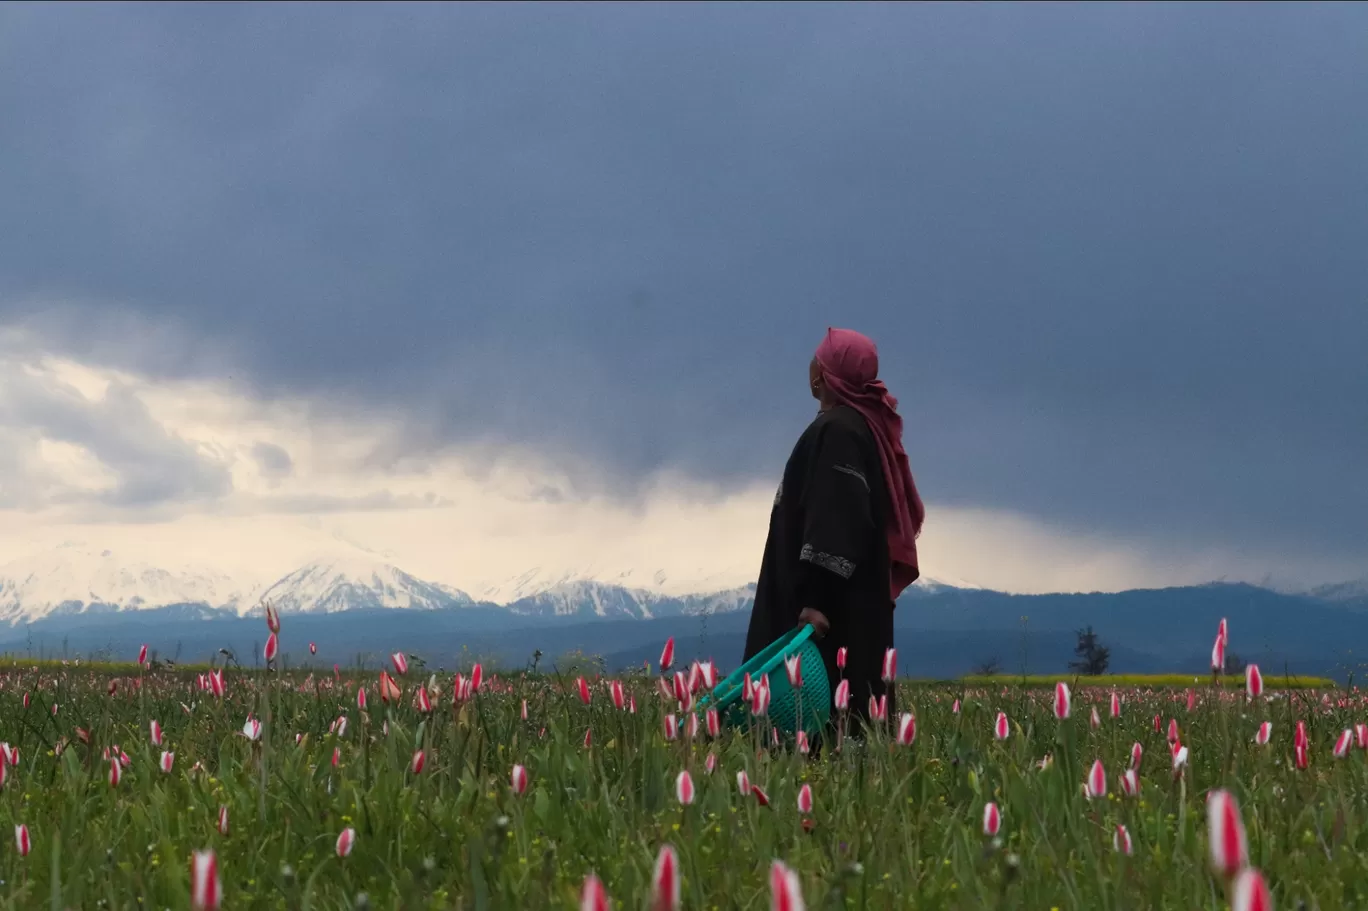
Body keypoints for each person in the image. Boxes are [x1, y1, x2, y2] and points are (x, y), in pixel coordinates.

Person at [742, 327, 925, 735]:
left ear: (822, 376)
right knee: (851, 718)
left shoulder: (840, 432)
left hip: (832, 613)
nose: (810, 366)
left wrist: (816, 601)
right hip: (850, 601)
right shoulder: (856, 428)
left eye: (816, 359)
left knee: (825, 718)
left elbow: (838, 518)